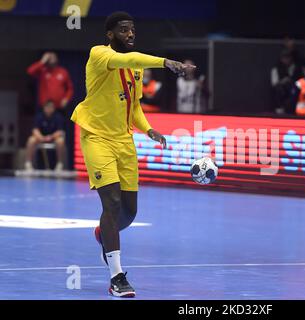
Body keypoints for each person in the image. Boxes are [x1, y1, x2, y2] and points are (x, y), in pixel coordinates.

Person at [70, 11, 195, 298]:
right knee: (111, 203)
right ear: (111, 34)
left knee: (129, 211)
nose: (130, 34)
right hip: (97, 137)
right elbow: (128, 58)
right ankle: (116, 276)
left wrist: (149, 130)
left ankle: (104, 233)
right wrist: (166, 62)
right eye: (124, 30)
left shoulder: (136, 70)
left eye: (133, 30)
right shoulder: (99, 55)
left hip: (124, 141)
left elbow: (134, 106)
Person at [24, 100, 65, 171]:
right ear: (44, 108)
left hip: (53, 138)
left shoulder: (57, 117)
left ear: (53, 108)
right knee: (31, 140)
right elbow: (35, 130)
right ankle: (28, 163)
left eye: (51, 107)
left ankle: (60, 163)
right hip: (41, 138)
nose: (49, 109)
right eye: (47, 107)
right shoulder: (39, 116)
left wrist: (51, 137)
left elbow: (60, 131)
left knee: (60, 141)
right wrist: (41, 137)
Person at [271, 49, 300, 114]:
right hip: (281, 89)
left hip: (292, 88)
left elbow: (298, 81)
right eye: (285, 58)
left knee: (294, 90)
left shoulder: (294, 67)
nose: (286, 60)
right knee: (279, 89)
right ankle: (280, 108)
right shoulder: (276, 69)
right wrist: (283, 81)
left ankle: (293, 108)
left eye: (288, 58)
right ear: (281, 59)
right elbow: (274, 83)